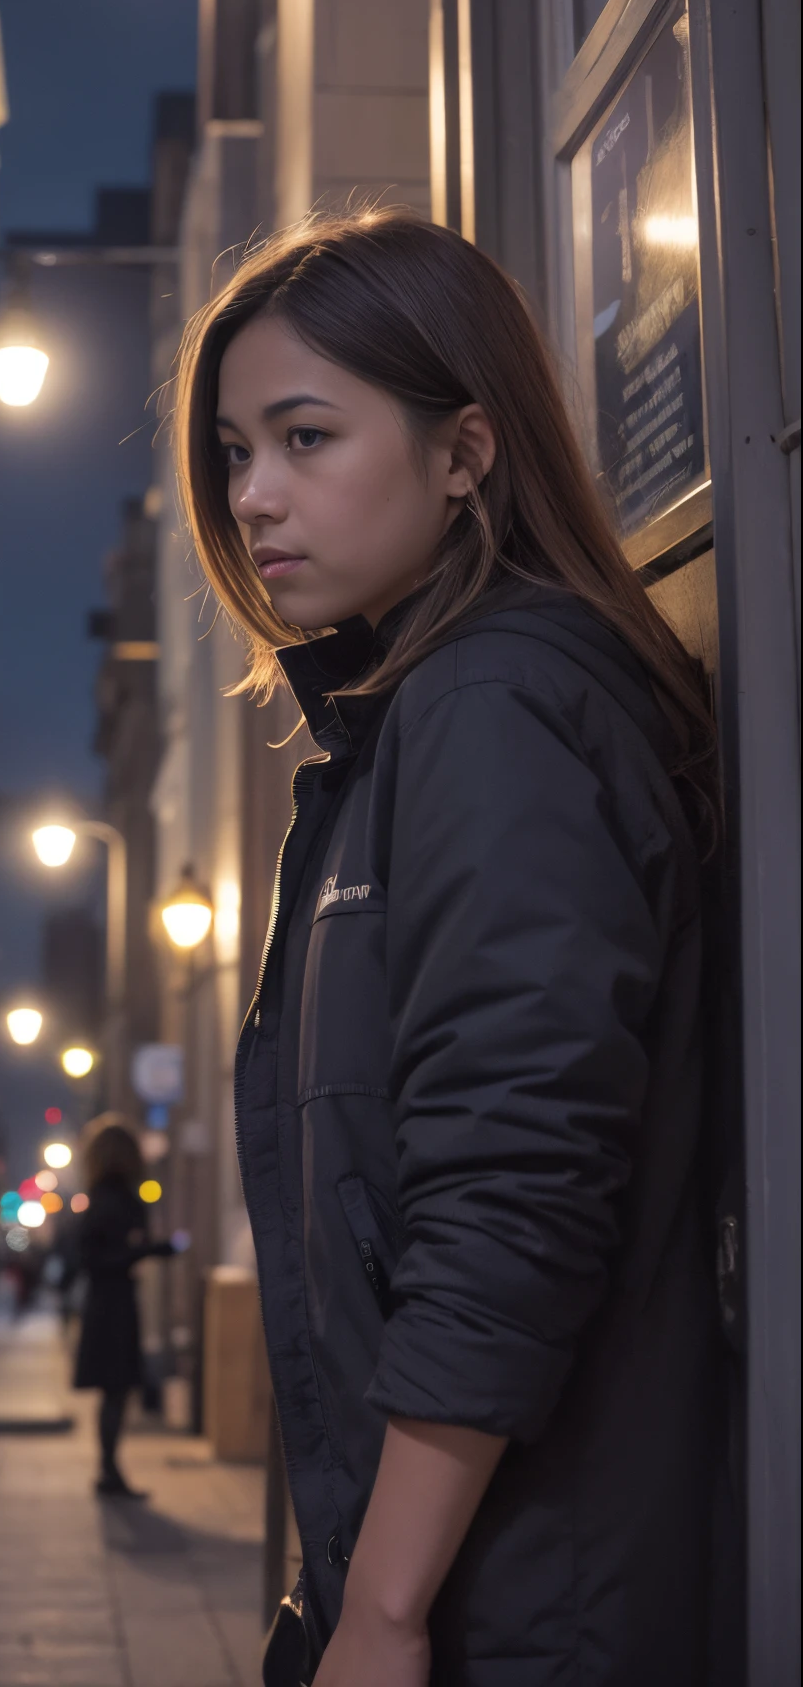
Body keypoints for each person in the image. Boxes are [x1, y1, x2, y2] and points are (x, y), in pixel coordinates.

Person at [172, 209, 720, 1685]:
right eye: (233, 453)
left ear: (466, 451)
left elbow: (515, 1183)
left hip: (526, 1599)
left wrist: (388, 1609)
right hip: (468, 1573)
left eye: (305, 438)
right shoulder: (412, 724)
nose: (254, 500)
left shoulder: (499, 707)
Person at [72, 1113, 175, 1498]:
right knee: (116, 1389)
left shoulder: (100, 1196)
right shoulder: (117, 1200)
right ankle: (109, 1471)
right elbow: (98, 1256)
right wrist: (145, 1250)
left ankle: (109, 1469)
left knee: (114, 1390)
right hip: (113, 1303)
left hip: (105, 1302)